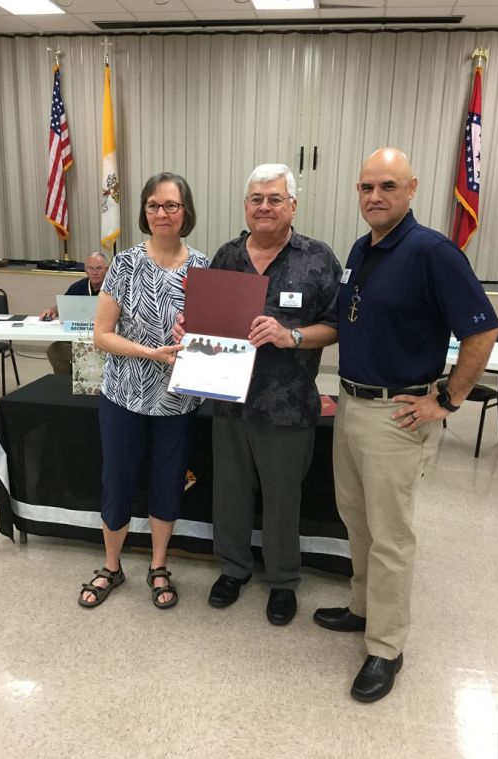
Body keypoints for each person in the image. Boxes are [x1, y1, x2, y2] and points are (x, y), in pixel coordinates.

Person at [314, 148, 498, 702]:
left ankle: (386, 648)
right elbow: (347, 320)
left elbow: (482, 331)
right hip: (351, 404)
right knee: (358, 521)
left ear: (412, 188)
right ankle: (363, 608)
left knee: (391, 535)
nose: (376, 196)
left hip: (397, 415)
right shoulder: (361, 248)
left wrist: (448, 398)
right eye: (367, 186)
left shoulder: (433, 252)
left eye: (388, 186)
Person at [176, 163, 342, 625]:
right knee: (229, 492)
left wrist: (290, 335)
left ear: (293, 205)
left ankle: (284, 580)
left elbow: (334, 327)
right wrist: (189, 329)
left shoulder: (318, 258)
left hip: (287, 405)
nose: (264, 207)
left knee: (282, 497)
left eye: (274, 199)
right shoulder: (225, 257)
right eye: (256, 199)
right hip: (228, 400)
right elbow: (206, 318)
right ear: (245, 205)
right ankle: (232, 569)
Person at [78, 172, 209, 610]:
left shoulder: (203, 268)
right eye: (153, 205)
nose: (162, 213)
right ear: (143, 211)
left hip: (177, 400)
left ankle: (157, 565)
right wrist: (149, 352)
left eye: (171, 205)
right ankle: (112, 566)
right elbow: (101, 334)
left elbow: (215, 335)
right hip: (124, 397)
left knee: (168, 483)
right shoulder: (125, 263)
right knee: (116, 482)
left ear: (185, 211)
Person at [39, 252, 109, 375]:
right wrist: (53, 310)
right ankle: (65, 384)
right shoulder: (78, 286)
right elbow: (65, 305)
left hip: (106, 339)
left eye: (99, 268)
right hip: (80, 335)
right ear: (85, 270)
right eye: (90, 268)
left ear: (107, 269)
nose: (94, 272)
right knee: (55, 351)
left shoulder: (115, 287)